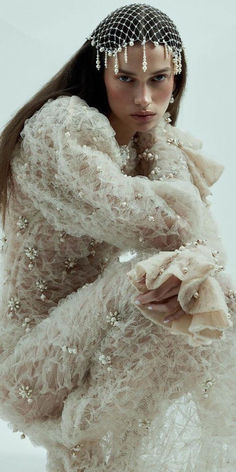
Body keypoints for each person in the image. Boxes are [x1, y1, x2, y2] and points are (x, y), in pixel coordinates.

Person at [0, 3, 236, 471]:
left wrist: (160, 142)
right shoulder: (64, 127)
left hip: (94, 335)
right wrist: (165, 148)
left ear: (177, 77)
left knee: (194, 291)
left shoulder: (145, 140)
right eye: (126, 78)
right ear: (99, 72)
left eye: (159, 79)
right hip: (35, 361)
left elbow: (203, 247)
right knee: (164, 282)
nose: (145, 99)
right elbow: (170, 226)